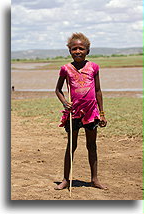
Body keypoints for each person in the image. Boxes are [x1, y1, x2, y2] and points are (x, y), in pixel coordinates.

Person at [55, 32, 107, 190]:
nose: (78, 51)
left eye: (81, 48)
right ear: (69, 51)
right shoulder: (66, 69)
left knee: (92, 145)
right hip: (74, 113)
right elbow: (58, 90)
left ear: (88, 51)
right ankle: (65, 179)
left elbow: (98, 91)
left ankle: (94, 179)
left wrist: (102, 113)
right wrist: (65, 103)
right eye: (74, 49)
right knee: (72, 145)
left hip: (91, 112)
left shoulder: (94, 67)